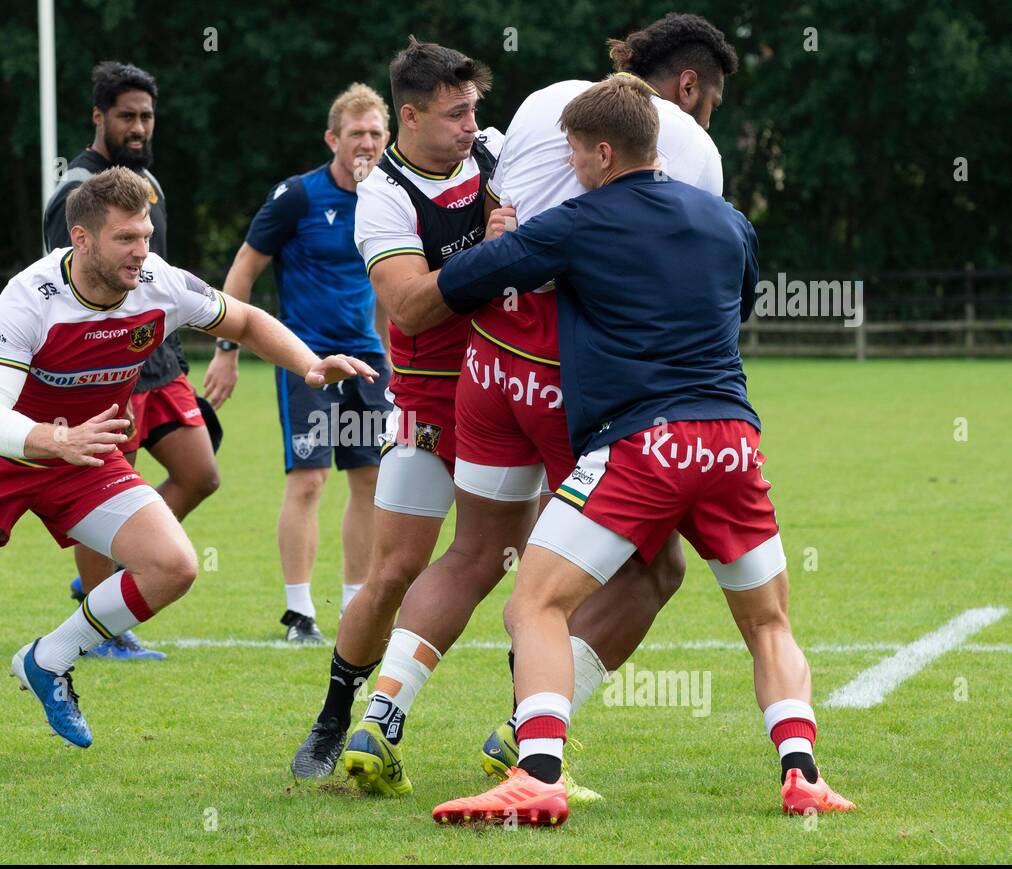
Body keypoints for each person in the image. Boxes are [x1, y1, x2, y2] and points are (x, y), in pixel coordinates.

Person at [0, 168, 376, 769]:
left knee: (174, 565)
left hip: (84, 455)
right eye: (126, 239)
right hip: (2, 458)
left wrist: (310, 366)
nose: (142, 252)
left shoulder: (159, 282)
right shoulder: (28, 298)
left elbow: (242, 319)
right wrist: (51, 439)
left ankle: (49, 658)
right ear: (81, 240)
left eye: (146, 236)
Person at [418, 76, 855, 824]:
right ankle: (803, 774)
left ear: (604, 151)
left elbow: (471, 279)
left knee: (535, 603)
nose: (570, 167)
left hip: (643, 443)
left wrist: (491, 241)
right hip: (732, 442)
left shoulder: (579, 221)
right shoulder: (729, 222)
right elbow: (735, 304)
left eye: (575, 154)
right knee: (769, 621)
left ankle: (539, 771)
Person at [389, 12, 741, 800]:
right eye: (708, 100)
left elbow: (500, 223)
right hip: (581, 375)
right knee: (646, 569)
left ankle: (380, 717)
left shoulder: (547, 100)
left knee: (475, 553)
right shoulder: (692, 149)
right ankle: (529, 737)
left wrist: (427, 299)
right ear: (689, 87)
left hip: (489, 356)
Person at [289, 37, 503, 788]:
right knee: (395, 570)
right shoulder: (383, 194)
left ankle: (528, 730)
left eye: (473, 107)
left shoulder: (498, 154)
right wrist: (496, 256)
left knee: (540, 570)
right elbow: (410, 306)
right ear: (408, 117)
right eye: (454, 114)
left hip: (510, 405)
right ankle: (335, 713)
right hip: (429, 409)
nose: (470, 125)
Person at [43, 61, 221, 662]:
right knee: (99, 496)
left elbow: (156, 284)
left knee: (201, 473)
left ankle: (117, 566)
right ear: (99, 118)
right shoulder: (76, 192)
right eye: (126, 116)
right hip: (106, 371)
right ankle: (100, 625)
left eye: (146, 115)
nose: (140, 125)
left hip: (161, 366)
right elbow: (68, 292)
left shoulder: (146, 186)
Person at [216, 84, 392, 646]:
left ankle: (352, 609)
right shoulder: (296, 196)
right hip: (308, 360)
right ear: (332, 139)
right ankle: (299, 614)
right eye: (356, 133)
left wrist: (395, 358)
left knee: (369, 479)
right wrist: (227, 350)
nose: (366, 143)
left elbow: (391, 287)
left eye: (375, 133)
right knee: (311, 479)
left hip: (368, 362)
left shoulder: (391, 198)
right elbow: (243, 271)